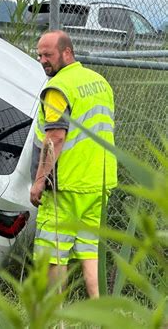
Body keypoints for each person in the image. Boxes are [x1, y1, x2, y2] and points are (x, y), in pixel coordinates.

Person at [30, 30, 117, 298]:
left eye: (48, 55)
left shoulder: (58, 88)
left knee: (54, 253)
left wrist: (39, 180)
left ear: (67, 53)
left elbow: (55, 137)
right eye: (40, 55)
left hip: (67, 185)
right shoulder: (99, 81)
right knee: (90, 251)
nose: (43, 60)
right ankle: (99, 310)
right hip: (98, 181)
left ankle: (54, 316)